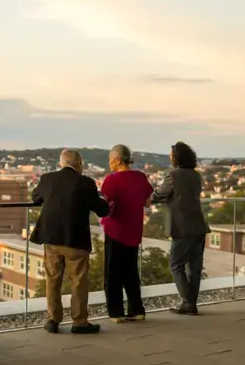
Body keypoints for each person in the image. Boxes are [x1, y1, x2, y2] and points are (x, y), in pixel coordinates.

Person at [30, 149, 109, 334]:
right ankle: (79, 321)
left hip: (51, 238)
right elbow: (102, 210)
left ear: (61, 163)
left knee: (53, 279)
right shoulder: (86, 183)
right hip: (76, 239)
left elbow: (35, 197)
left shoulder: (47, 179)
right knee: (79, 281)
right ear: (79, 164)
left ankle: (52, 319)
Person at [151, 142, 209, 316]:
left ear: (176, 157)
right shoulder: (196, 176)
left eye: (171, 154)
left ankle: (187, 302)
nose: (169, 156)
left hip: (182, 226)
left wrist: (150, 198)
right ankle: (191, 303)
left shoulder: (173, 175)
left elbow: (159, 194)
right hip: (199, 225)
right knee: (195, 268)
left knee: (176, 264)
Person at [101, 144, 154, 322]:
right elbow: (148, 202)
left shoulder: (111, 180)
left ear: (116, 159)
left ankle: (116, 312)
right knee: (130, 271)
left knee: (112, 271)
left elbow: (102, 204)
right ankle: (137, 309)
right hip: (134, 230)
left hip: (115, 230)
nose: (109, 164)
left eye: (110, 160)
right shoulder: (140, 177)